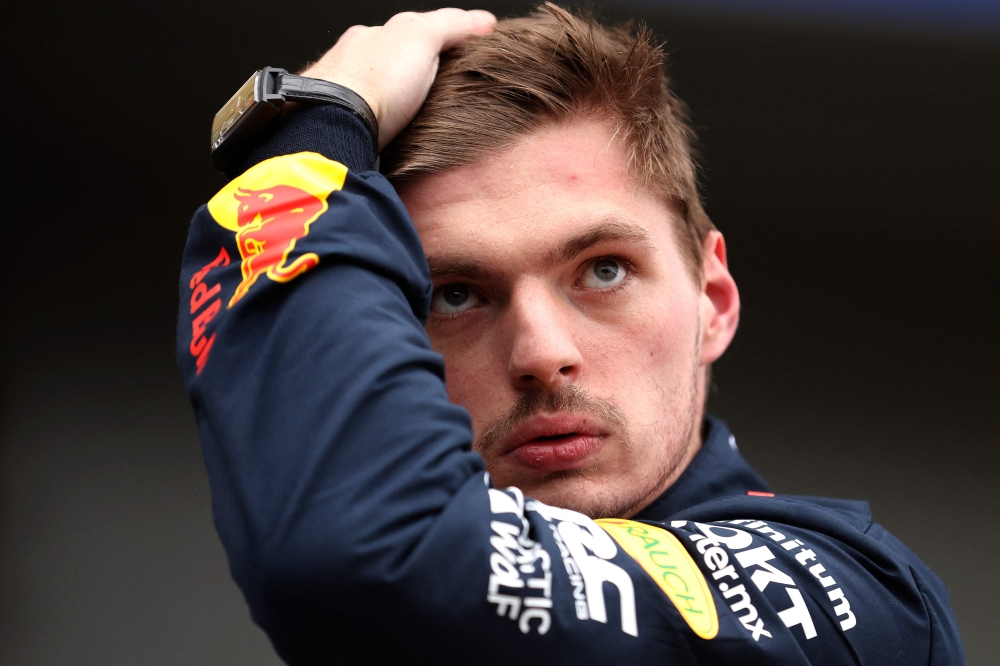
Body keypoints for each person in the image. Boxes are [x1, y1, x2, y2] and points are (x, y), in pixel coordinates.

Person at [178, 4, 964, 663]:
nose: (541, 353)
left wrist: (304, 150)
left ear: (713, 300)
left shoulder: (865, 602)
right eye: (453, 294)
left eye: (603, 270)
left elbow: (366, 554)